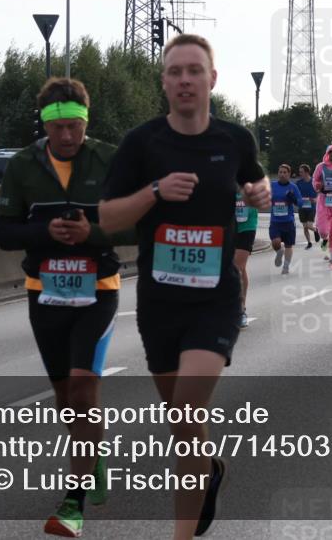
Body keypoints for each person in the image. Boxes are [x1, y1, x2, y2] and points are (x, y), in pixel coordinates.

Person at [98, 34, 270, 540]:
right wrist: (154, 191)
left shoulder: (234, 140)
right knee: (181, 426)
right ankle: (209, 469)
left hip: (214, 299)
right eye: (175, 71)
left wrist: (258, 192)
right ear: (164, 82)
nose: (185, 80)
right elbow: (107, 218)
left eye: (195, 70)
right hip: (159, 301)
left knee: (190, 407)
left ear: (212, 79)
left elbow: (253, 186)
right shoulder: (142, 143)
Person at [0, 77, 135, 537]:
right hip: (44, 289)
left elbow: (137, 225)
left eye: (76, 126)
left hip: (99, 287)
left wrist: (90, 235)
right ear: (46, 126)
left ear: (85, 123)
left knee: (81, 390)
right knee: (63, 399)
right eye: (60, 129)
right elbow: (4, 233)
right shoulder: (22, 165)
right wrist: (46, 233)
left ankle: (72, 503)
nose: (69, 137)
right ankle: (91, 457)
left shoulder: (110, 159)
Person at [270, 164, 303, 275]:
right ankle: (279, 252)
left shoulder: (293, 187)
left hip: (288, 221)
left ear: (289, 174)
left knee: (288, 245)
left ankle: (286, 266)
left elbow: (300, 203)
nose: (282, 174)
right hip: (275, 221)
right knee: (275, 242)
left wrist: (292, 198)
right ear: (278, 173)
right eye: (280, 172)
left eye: (285, 172)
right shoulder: (272, 185)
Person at [233, 190, 258, 328]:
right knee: (233, 268)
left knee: (238, 267)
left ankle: (241, 310)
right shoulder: (226, 177)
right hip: (230, 227)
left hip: (247, 226)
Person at [294, 163, 318, 249]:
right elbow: (295, 194)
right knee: (305, 227)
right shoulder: (298, 183)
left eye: (302, 172)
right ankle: (309, 242)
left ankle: (316, 230)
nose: (300, 174)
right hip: (302, 207)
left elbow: (320, 193)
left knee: (309, 225)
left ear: (307, 172)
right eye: (299, 172)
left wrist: (316, 199)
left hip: (311, 207)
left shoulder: (314, 182)